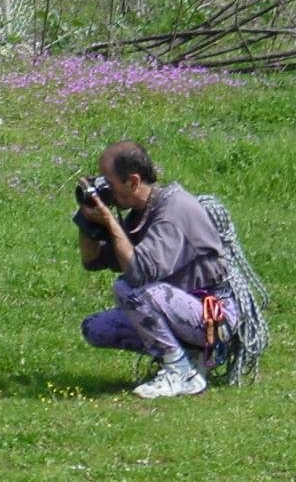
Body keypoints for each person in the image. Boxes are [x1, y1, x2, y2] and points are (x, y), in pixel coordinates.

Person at [75, 141, 237, 398]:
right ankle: (189, 358)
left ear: (133, 181)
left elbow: (137, 273)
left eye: (108, 181)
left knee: (129, 288)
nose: (103, 188)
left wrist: (109, 221)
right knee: (95, 328)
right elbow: (93, 261)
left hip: (213, 319)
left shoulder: (172, 210)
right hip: (181, 311)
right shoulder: (141, 212)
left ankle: (179, 370)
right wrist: (88, 222)